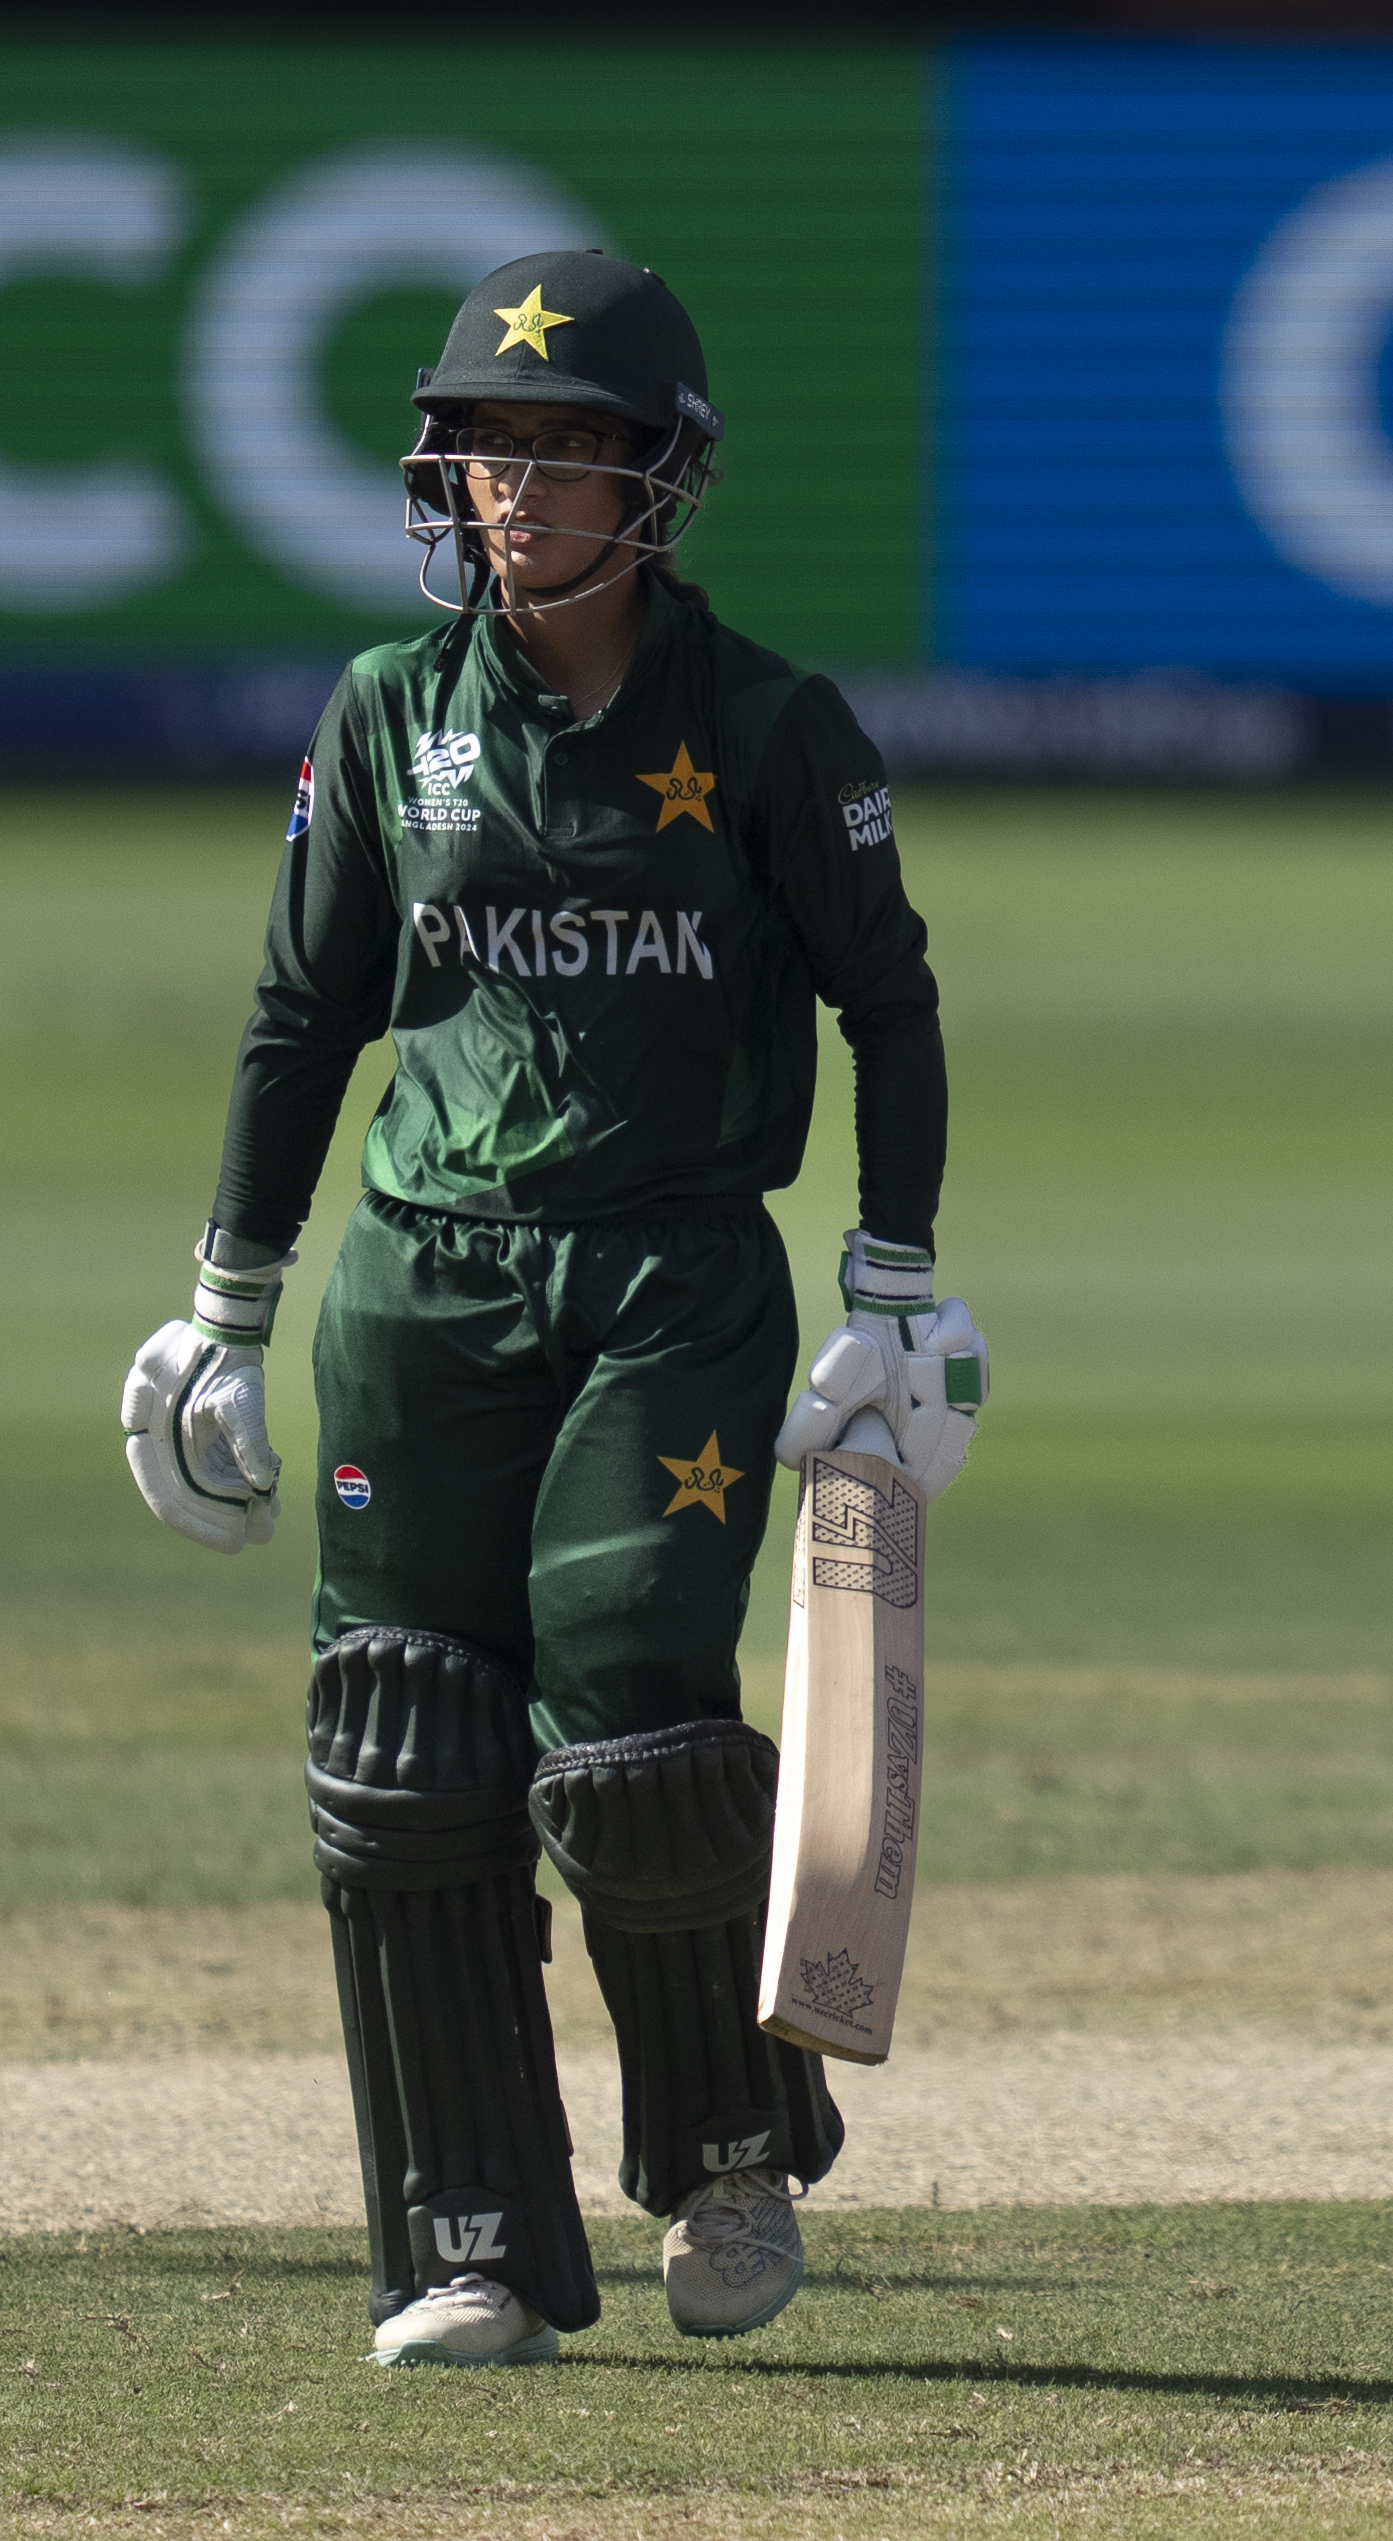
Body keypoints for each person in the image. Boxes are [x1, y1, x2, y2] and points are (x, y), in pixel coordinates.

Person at [116, 248, 980, 2369]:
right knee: (404, 1740)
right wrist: (225, 1304)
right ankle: (464, 2230)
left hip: (670, 1274)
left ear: (660, 478)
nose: (519, 488)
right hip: (419, 1284)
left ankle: (720, 2149)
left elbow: (890, 998)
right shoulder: (383, 715)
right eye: (490, 445)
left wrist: (897, 1282)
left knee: (635, 1722)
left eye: (570, 448)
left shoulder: (771, 725)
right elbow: (303, 1012)